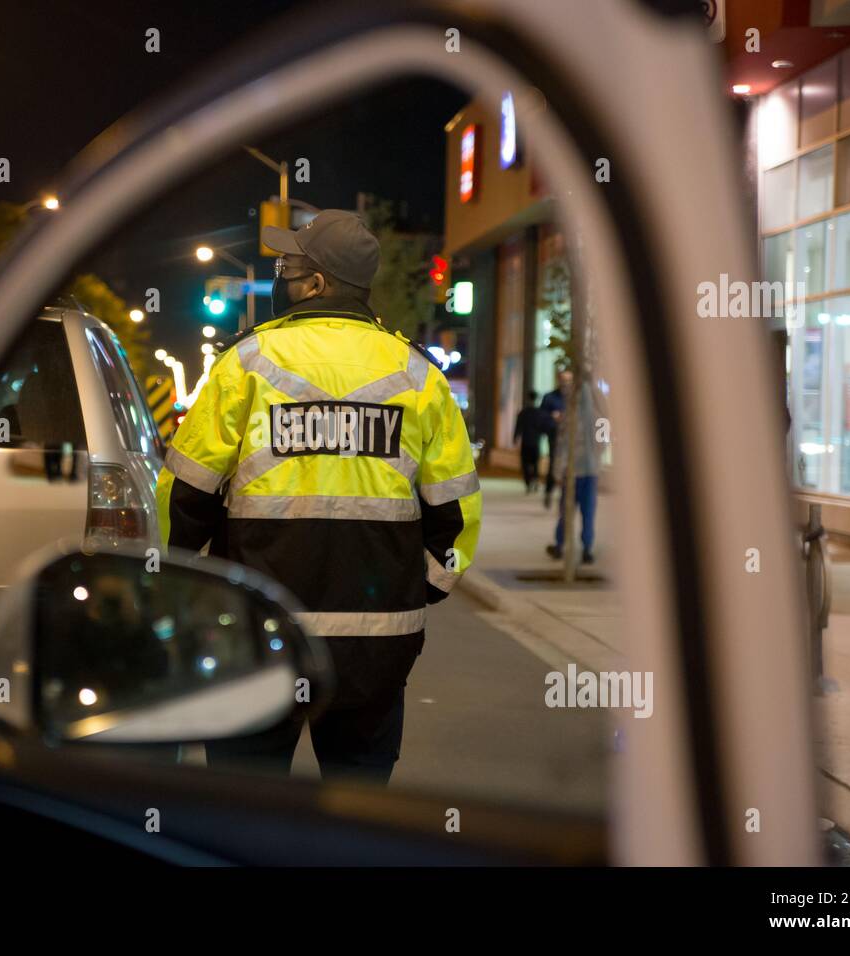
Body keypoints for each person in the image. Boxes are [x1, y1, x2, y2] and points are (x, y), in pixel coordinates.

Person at [155, 210, 481, 785]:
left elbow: (186, 493)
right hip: (376, 649)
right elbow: (454, 512)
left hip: (259, 637)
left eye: (288, 266)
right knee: (357, 813)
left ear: (317, 283)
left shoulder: (246, 364)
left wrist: (178, 584)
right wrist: (416, 589)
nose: (280, 275)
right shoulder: (418, 375)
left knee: (244, 810)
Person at [545, 377, 602, 564]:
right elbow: (604, 441)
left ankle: (560, 545)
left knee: (567, 511)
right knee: (588, 512)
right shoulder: (597, 417)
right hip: (590, 472)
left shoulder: (569, 417)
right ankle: (587, 549)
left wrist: (557, 471)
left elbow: (561, 445)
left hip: (573, 472)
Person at [539, 369, 572, 508]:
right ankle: (549, 491)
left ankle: (565, 499)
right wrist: (553, 418)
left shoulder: (574, 399)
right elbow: (541, 417)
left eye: (569, 380)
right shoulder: (550, 397)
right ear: (558, 380)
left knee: (569, 469)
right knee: (554, 465)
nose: (566, 383)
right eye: (564, 380)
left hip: (571, 440)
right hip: (555, 438)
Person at [513, 390, 544, 492]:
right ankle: (534, 479)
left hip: (526, 442)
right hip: (535, 442)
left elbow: (518, 427)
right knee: (535, 463)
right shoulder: (538, 413)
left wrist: (515, 438)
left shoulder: (523, 412)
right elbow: (542, 427)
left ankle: (528, 482)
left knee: (525, 463)